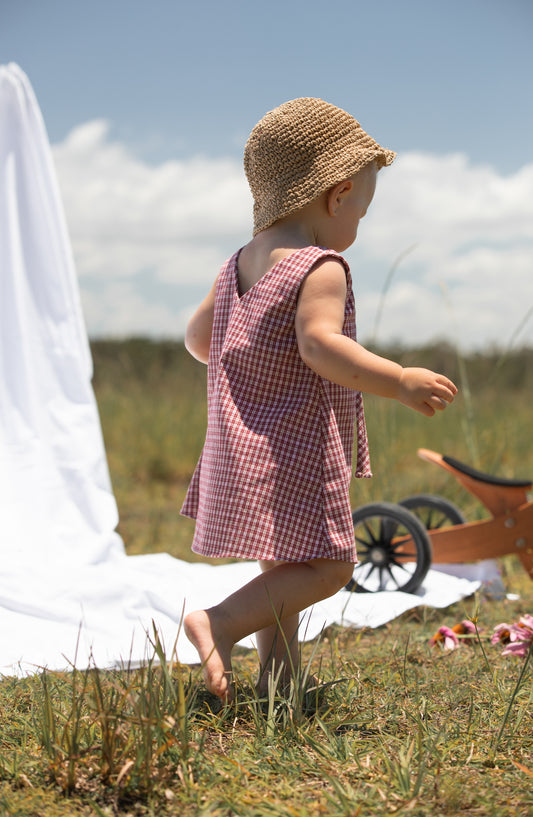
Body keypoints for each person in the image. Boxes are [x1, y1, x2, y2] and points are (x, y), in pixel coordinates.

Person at [181, 98, 457, 702]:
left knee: (283, 571)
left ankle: (279, 680)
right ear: (338, 195)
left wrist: (247, 343)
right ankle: (218, 622)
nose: (358, 225)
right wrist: (399, 379)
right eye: (362, 209)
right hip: (291, 448)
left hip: (235, 444)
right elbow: (321, 346)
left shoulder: (238, 264)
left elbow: (199, 339)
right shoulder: (320, 265)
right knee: (330, 568)